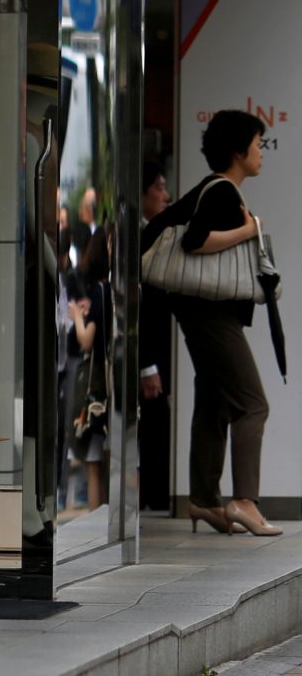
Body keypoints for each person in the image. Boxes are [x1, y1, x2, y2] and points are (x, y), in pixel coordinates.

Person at [144, 109, 279, 536]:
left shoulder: (214, 189)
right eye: (258, 145)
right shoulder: (222, 192)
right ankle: (244, 501)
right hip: (211, 313)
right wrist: (249, 230)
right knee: (252, 403)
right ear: (239, 151)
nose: (262, 153)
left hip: (200, 310)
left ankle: (203, 499)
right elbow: (194, 241)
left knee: (214, 402)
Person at [68, 226, 111, 511]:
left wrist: (76, 316)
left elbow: (86, 341)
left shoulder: (99, 292)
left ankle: (97, 520)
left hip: (98, 386)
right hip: (114, 380)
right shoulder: (114, 290)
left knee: (93, 461)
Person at [138, 161, 173, 511]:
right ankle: (152, 497)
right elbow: (140, 307)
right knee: (153, 426)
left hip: (159, 354)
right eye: (159, 187)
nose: (165, 194)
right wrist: (147, 365)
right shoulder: (138, 238)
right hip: (148, 357)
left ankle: (155, 496)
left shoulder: (155, 232)